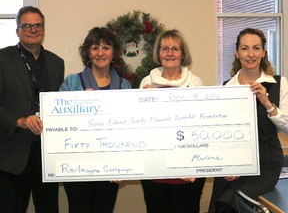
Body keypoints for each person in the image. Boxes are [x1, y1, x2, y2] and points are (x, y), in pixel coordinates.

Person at [208, 28, 288, 213]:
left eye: (256, 48)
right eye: (245, 48)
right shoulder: (226, 87)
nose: (250, 54)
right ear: (237, 53)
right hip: (233, 163)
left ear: (263, 52)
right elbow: (221, 134)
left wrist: (267, 103)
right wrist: (230, 164)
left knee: (233, 201)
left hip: (266, 164)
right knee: (218, 205)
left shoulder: (279, 83)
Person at [59, 27, 132, 213]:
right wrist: (78, 106)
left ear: (113, 52)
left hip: (110, 168)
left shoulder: (124, 86)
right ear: (87, 52)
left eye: (106, 48)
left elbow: (130, 131)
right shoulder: (71, 83)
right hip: (77, 167)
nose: (100, 53)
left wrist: (123, 166)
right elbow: (58, 124)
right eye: (95, 48)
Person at [0, 6, 65, 213]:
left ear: (44, 30)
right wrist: (19, 121)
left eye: (38, 25)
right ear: (17, 30)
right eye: (27, 25)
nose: (33, 30)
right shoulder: (2, 59)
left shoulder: (57, 63)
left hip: (46, 156)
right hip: (12, 156)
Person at [139, 29, 206, 213]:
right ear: (158, 53)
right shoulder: (147, 82)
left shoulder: (195, 83)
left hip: (188, 169)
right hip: (155, 169)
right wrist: (145, 102)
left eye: (175, 49)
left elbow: (199, 124)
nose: (169, 53)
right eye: (165, 48)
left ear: (182, 54)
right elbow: (140, 125)